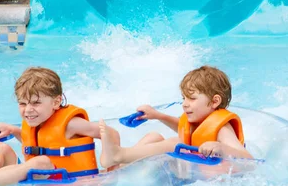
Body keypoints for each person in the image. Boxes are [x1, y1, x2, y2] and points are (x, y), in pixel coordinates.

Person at [0, 67, 109, 186]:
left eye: (36, 103)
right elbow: (41, 145)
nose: (28, 110)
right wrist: (14, 130)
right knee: (2, 149)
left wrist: (110, 166)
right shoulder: (36, 123)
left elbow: (108, 133)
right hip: (41, 184)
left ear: (56, 101)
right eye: (22, 104)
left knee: (41, 162)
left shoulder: (71, 124)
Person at [99, 66, 252, 168]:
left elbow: (248, 159)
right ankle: (119, 167)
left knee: (174, 143)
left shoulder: (223, 129)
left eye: (192, 99)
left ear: (214, 101)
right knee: (153, 136)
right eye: (184, 98)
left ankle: (120, 155)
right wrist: (158, 116)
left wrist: (221, 148)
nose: (185, 104)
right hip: (192, 167)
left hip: (214, 177)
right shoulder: (199, 119)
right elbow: (183, 128)